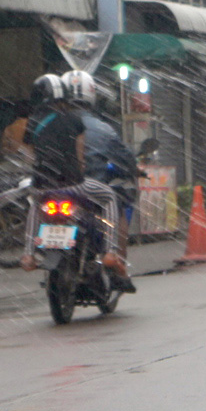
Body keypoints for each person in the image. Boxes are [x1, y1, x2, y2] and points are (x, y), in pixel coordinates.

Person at [20, 74, 125, 280]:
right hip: (73, 185)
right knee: (110, 196)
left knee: (35, 206)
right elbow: (80, 158)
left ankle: (28, 254)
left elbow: (28, 158)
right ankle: (111, 251)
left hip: (43, 187)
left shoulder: (32, 123)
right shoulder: (75, 120)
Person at [61, 70, 138, 293]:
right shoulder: (103, 128)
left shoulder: (52, 123)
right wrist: (134, 168)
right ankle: (115, 261)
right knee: (119, 209)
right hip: (91, 190)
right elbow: (126, 159)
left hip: (54, 187)